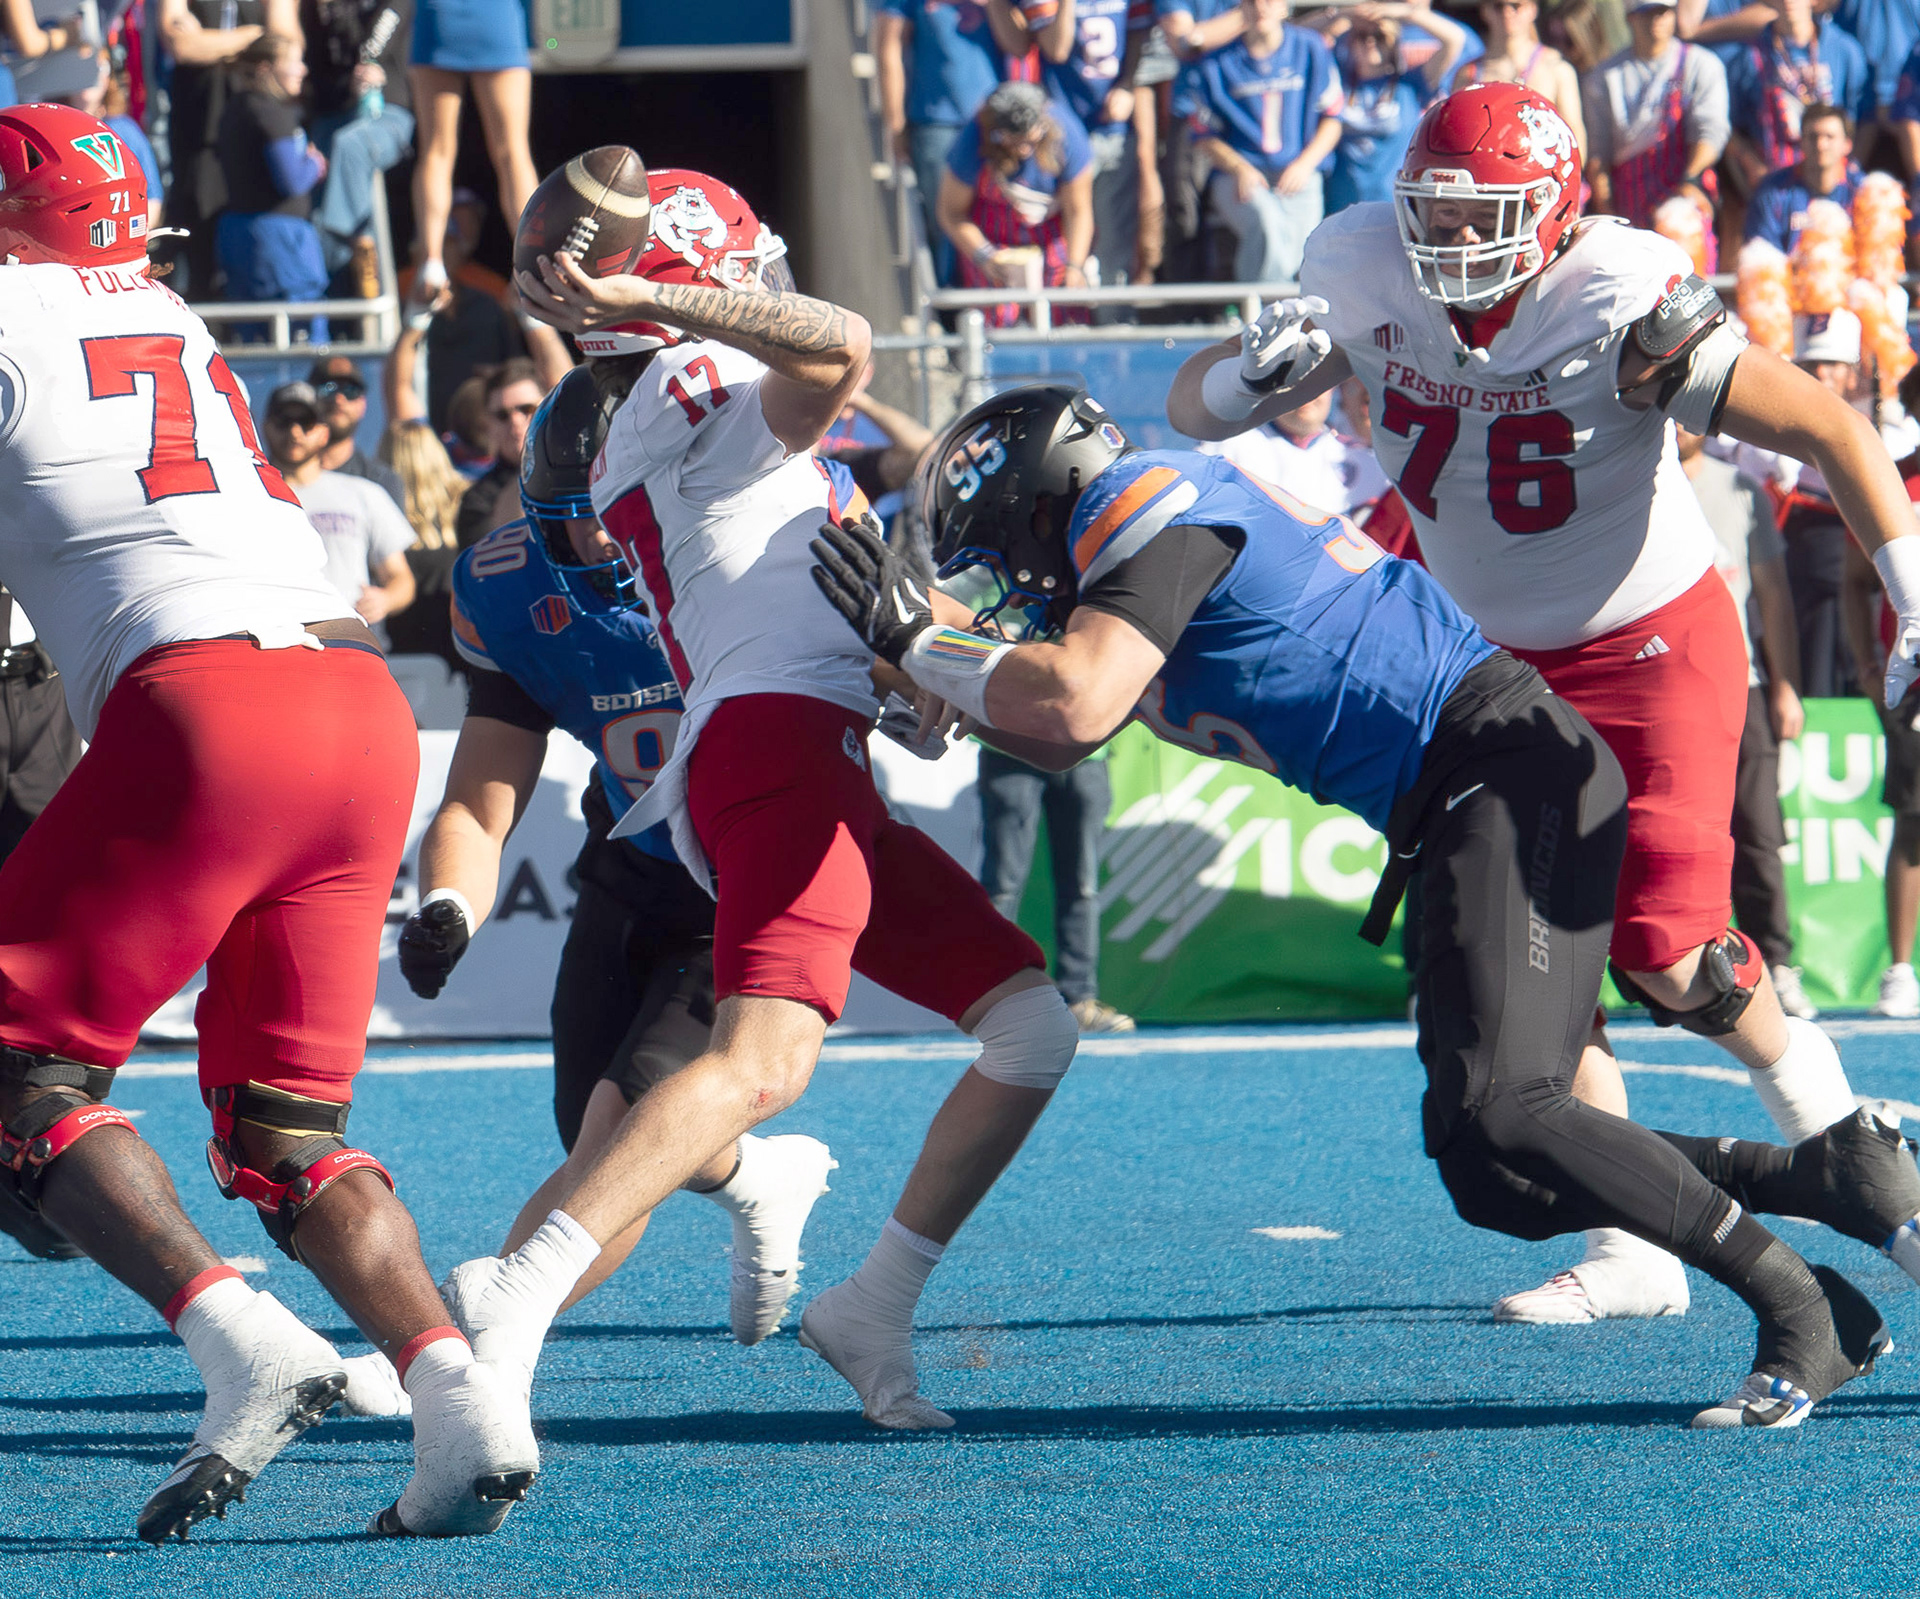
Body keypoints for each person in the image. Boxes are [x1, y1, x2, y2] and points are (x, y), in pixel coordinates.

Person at [813, 380, 1920, 1430]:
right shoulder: (1126, 573)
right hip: (1456, 802)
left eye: (998, 551)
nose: (1001, 581)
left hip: (1506, 760)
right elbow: (1054, 721)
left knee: (1512, 1102)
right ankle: (1821, 1174)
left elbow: (1074, 701)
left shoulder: (1146, 501)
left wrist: (926, 642)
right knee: (1495, 1174)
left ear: (1048, 501)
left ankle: (1799, 1308)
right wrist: (931, 693)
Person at [1168, 83, 1920, 1324]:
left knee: (1667, 953)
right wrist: (1245, 378)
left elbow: (1834, 428)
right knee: (1539, 962)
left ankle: (1839, 1128)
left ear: (1559, 209)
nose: (1456, 248)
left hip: (1645, 641)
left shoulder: (1619, 289)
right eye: (1439, 220)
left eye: (1487, 221)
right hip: (1473, 657)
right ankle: (1637, 1252)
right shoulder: (1358, 258)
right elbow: (1195, 409)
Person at [446, 163, 1080, 1434]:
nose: (765, 290)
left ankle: (872, 1305)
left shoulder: (669, 409)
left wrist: (914, 668)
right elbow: (840, 343)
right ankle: (517, 1294)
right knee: (762, 1064)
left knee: (1030, 1030)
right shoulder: (692, 381)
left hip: (798, 742)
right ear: (700, 290)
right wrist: (642, 288)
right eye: (740, 275)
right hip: (776, 744)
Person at [0, 101, 532, 1540]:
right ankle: (466, 1409)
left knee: (18, 1076)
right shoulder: (170, 314)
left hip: (202, 705)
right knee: (288, 1130)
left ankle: (247, 1342)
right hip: (353, 700)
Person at [387, 370, 840, 1367]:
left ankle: (466, 1352)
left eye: (618, 516)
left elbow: (914, 650)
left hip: (752, 875)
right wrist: (451, 902)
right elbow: (479, 790)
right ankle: (754, 1177)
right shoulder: (513, 589)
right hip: (633, 865)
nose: (598, 543)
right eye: (573, 520)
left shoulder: (781, 542)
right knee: (606, 1134)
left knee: (612, 1150)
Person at [1679, 425, 1818, 1020]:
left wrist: (1785, 685)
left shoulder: (1740, 488)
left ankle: (1778, 967)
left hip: (1744, 687)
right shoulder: (1627, 482)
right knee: (1669, 837)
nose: (1678, 424)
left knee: (1759, 834)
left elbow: (1773, 596)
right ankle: (1671, 968)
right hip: (1659, 690)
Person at [1184, 0, 1344, 284]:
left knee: (1304, 247)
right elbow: (1203, 136)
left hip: (1299, 172)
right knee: (1266, 225)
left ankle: (1267, 312)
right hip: (1239, 175)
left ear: (1285, 6)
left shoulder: (1310, 48)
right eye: (1251, 1)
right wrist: (1239, 167)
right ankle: (1264, 312)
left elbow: (1333, 118)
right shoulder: (1216, 62)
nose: (1261, 7)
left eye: (1269, 0)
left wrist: (1304, 165)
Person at [1000, 0, 1154, 292]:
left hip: (1111, 126)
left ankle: (1114, 322)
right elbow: (1055, 49)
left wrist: (1127, 85)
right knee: (1063, 233)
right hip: (1062, 130)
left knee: (1113, 235)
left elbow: (1139, 36)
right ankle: (1067, 316)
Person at [159, 0, 301, 298]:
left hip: (252, 129)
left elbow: (285, 42)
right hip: (197, 131)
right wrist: (250, 37)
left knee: (252, 249)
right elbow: (181, 45)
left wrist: (208, 41)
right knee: (198, 244)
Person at [873, 0, 1018, 281]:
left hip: (994, 123)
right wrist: (895, 124)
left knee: (999, 219)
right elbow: (888, 47)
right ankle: (952, 310)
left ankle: (998, 306)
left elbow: (1020, 45)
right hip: (937, 124)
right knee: (946, 224)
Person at [408, 0, 535, 307]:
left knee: (436, 151)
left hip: (439, 16)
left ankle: (432, 262)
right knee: (512, 153)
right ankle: (532, 265)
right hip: (496, 16)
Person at [937, 81, 1094, 328]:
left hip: (1050, 236)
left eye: (1030, 142)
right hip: (992, 239)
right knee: (999, 316)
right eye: (1013, 142)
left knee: (1060, 313)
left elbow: (1078, 210)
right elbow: (951, 212)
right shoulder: (974, 139)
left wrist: (1075, 265)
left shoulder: (1067, 136)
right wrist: (985, 255)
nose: (1023, 150)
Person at [262, 381, 416, 630]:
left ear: (324, 432)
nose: (294, 432)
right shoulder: (247, 498)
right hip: (279, 643)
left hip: (353, 646)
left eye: (306, 422)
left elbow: (401, 579)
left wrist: (385, 599)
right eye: (284, 421)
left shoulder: (364, 493)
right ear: (266, 428)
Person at [1582, 0, 1729, 250]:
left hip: (1686, 191)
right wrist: (1609, 219)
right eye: (1646, 13)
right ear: (1630, 19)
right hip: (1629, 200)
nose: (1656, 21)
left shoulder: (1701, 64)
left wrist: (1689, 181)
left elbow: (1711, 132)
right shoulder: (1604, 78)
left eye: (1663, 12)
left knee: (1684, 260)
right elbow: (1598, 154)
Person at [214, 31, 330, 340]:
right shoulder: (271, 112)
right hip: (279, 242)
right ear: (266, 68)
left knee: (252, 339)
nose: (302, 70)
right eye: (294, 62)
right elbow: (291, 181)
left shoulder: (234, 109)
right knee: (300, 337)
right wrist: (315, 164)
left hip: (238, 235)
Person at [302, 0, 415, 296]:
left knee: (350, 146)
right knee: (316, 212)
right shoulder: (319, 8)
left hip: (388, 114)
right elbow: (318, 61)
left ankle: (360, 248)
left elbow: (369, 52)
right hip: (334, 114)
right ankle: (329, 303)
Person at [1323, 1, 1469, 213]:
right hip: (1341, 204)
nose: (1371, 42)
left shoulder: (1411, 83)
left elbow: (1455, 39)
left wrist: (1404, 12)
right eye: (1362, 37)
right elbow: (1297, 32)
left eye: (1380, 37)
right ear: (1351, 42)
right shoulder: (1338, 78)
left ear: (1394, 42)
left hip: (1395, 205)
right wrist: (1344, 14)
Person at [1725, 0, 1872, 188]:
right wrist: (1751, 163)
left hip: (1832, 182)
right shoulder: (1749, 58)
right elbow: (1727, 128)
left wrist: (1849, 168)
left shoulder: (1845, 50)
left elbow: (1866, 118)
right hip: (1775, 184)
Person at [1196, 386, 1391, 512]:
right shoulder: (1228, 449)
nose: (1304, 391)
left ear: (1333, 387)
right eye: (1292, 378)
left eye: (1317, 380)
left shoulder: (1368, 464)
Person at [1454, 0, 1587, 152]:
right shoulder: (1468, 73)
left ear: (1532, 9)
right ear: (1485, 11)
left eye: (1516, 6)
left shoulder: (1557, 69)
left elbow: (1575, 139)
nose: (1507, 12)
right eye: (1498, 6)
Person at [1745, 101, 1864, 252]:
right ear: (1801, 142)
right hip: (1791, 274)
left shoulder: (1864, 192)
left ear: (1847, 144)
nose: (1821, 145)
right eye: (1813, 137)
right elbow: (1763, 257)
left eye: (1829, 137)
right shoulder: (1773, 191)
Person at [454, 357, 543, 543]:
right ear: (487, 423)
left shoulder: (581, 474)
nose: (515, 422)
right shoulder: (477, 501)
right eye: (502, 415)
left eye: (527, 409)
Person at [309, 353, 406, 505]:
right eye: (328, 388)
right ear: (308, 398)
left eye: (350, 390)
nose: (339, 399)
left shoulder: (381, 482)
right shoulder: (282, 479)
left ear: (363, 404)